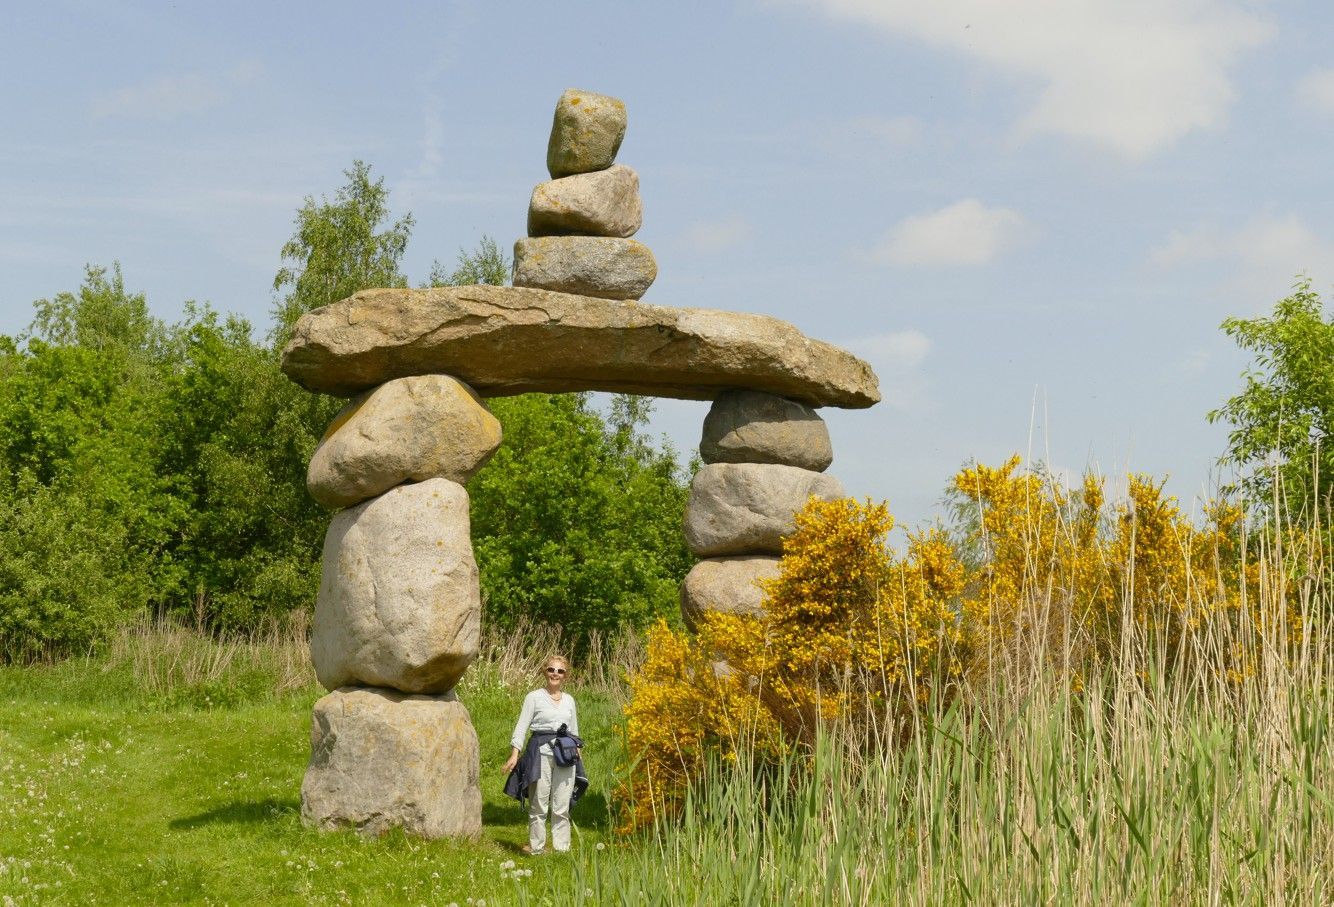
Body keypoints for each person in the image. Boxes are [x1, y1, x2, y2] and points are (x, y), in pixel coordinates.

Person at [502, 655, 588, 854]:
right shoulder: (534, 697)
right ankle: (537, 847)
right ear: (545, 672)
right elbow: (522, 726)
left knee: (561, 805)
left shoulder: (569, 700)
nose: (555, 674)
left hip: (566, 755)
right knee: (539, 804)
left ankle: (562, 849)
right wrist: (515, 753)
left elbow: (574, 730)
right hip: (540, 753)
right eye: (551, 670)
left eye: (560, 671)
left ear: (565, 676)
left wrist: (578, 755)